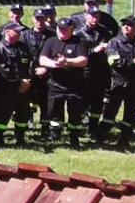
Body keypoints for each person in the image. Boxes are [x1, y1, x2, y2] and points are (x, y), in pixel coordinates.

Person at [38, 17, 93, 147]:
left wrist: (67, 62)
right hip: (56, 84)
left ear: (72, 30)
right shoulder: (51, 41)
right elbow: (42, 59)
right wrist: (55, 64)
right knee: (54, 112)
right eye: (60, 29)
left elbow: (83, 60)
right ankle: (55, 136)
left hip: (75, 85)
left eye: (65, 29)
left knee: (75, 113)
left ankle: (74, 138)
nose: (62, 31)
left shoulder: (79, 42)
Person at [100, 16, 135, 146]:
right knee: (110, 112)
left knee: (131, 114)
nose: (126, 27)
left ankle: (124, 140)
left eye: (130, 25)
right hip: (118, 82)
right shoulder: (114, 42)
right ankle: (100, 137)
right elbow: (114, 62)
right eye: (124, 25)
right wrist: (134, 61)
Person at [0, 25, 35, 146]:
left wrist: (27, 80)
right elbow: (0, 68)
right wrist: (18, 80)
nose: (19, 34)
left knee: (23, 112)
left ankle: (20, 138)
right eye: (16, 31)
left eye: (20, 32)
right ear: (7, 32)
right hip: (6, 86)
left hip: (23, 85)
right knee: (3, 113)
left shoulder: (23, 47)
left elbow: (29, 64)